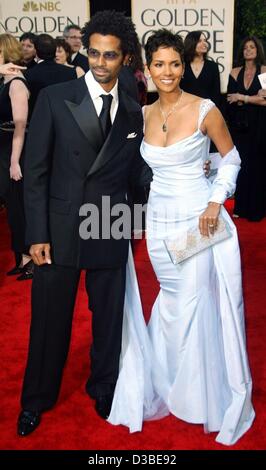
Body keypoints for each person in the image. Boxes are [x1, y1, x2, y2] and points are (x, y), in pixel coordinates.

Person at [108, 29, 255, 446]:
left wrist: (215, 201)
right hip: (159, 220)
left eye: (175, 63)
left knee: (193, 298)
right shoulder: (142, 113)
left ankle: (196, 396)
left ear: (182, 64)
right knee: (170, 299)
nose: (168, 72)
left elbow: (230, 158)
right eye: (160, 64)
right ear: (147, 68)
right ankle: (168, 380)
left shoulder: (205, 108)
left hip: (197, 221)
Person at [17, 10, 150, 437]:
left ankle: (105, 388)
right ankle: (36, 399)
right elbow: (35, 171)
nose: (99, 62)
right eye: (93, 52)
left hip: (111, 222)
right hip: (59, 227)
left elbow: (136, 176)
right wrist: (35, 234)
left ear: (124, 58)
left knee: (109, 318)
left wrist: (137, 226)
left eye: (109, 56)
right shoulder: (57, 97)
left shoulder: (132, 110)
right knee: (49, 319)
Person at [0, 34, 33, 280]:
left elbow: (20, 127)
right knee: (12, 208)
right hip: (4, 150)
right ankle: (21, 256)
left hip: (15, 152)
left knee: (19, 206)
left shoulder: (17, 84)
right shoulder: (4, 81)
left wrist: (14, 161)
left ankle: (30, 258)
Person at [227, 36, 266, 221]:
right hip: (239, 125)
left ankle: (257, 209)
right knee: (240, 164)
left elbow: (265, 101)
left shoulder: (265, 71)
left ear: (257, 50)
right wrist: (254, 98)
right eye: (245, 48)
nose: (248, 50)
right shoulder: (235, 72)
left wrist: (242, 97)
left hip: (260, 125)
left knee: (257, 164)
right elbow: (229, 98)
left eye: (252, 47)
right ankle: (240, 206)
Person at [181, 30, 221, 107]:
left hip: (207, 112)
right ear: (191, 43)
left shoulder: (213, 66)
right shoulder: (182, 65)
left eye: (205, 40)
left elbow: (216, 95)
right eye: (200, 41)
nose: (204, 43)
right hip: (185, 111)